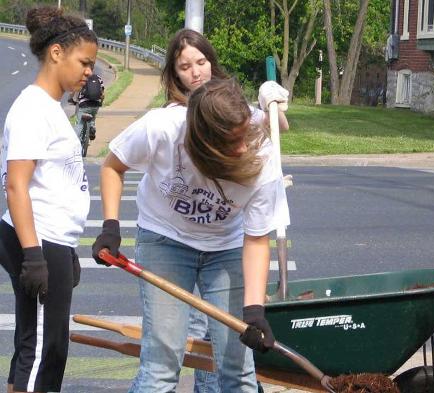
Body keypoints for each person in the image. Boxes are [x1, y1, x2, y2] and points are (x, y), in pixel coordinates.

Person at [91, 28, 289, 393]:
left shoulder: (261, 154)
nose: (242, 148)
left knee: (237, 367)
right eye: (231, 145)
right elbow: (111, 167)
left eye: (244, 136)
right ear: (201, 140)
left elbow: (257, 239)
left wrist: (254, 311)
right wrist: (110, 226)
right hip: (166, 240)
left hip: (226, 247)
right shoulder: (163, 129)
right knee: (162, 364)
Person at [0, 6, 97, 393]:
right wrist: (36, 256)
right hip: (38, 239)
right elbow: (16, 186)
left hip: (52, 239)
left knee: (39, 345)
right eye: (85, 62)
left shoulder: (52, 107)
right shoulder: (32, 108)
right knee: (44, 351)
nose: (89, 72)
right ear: (57, 53)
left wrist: (67, 249)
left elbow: (55, 182)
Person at [73, 73, 104, 141]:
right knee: (92, 117)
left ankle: (75, 142)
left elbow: (74, 90)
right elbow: (102, 94)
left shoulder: (82, 77)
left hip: (84, 104)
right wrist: (100, 103)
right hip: (95, 104)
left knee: (79, 124)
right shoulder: (98, 78)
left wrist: (71, 99)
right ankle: (92, 127)